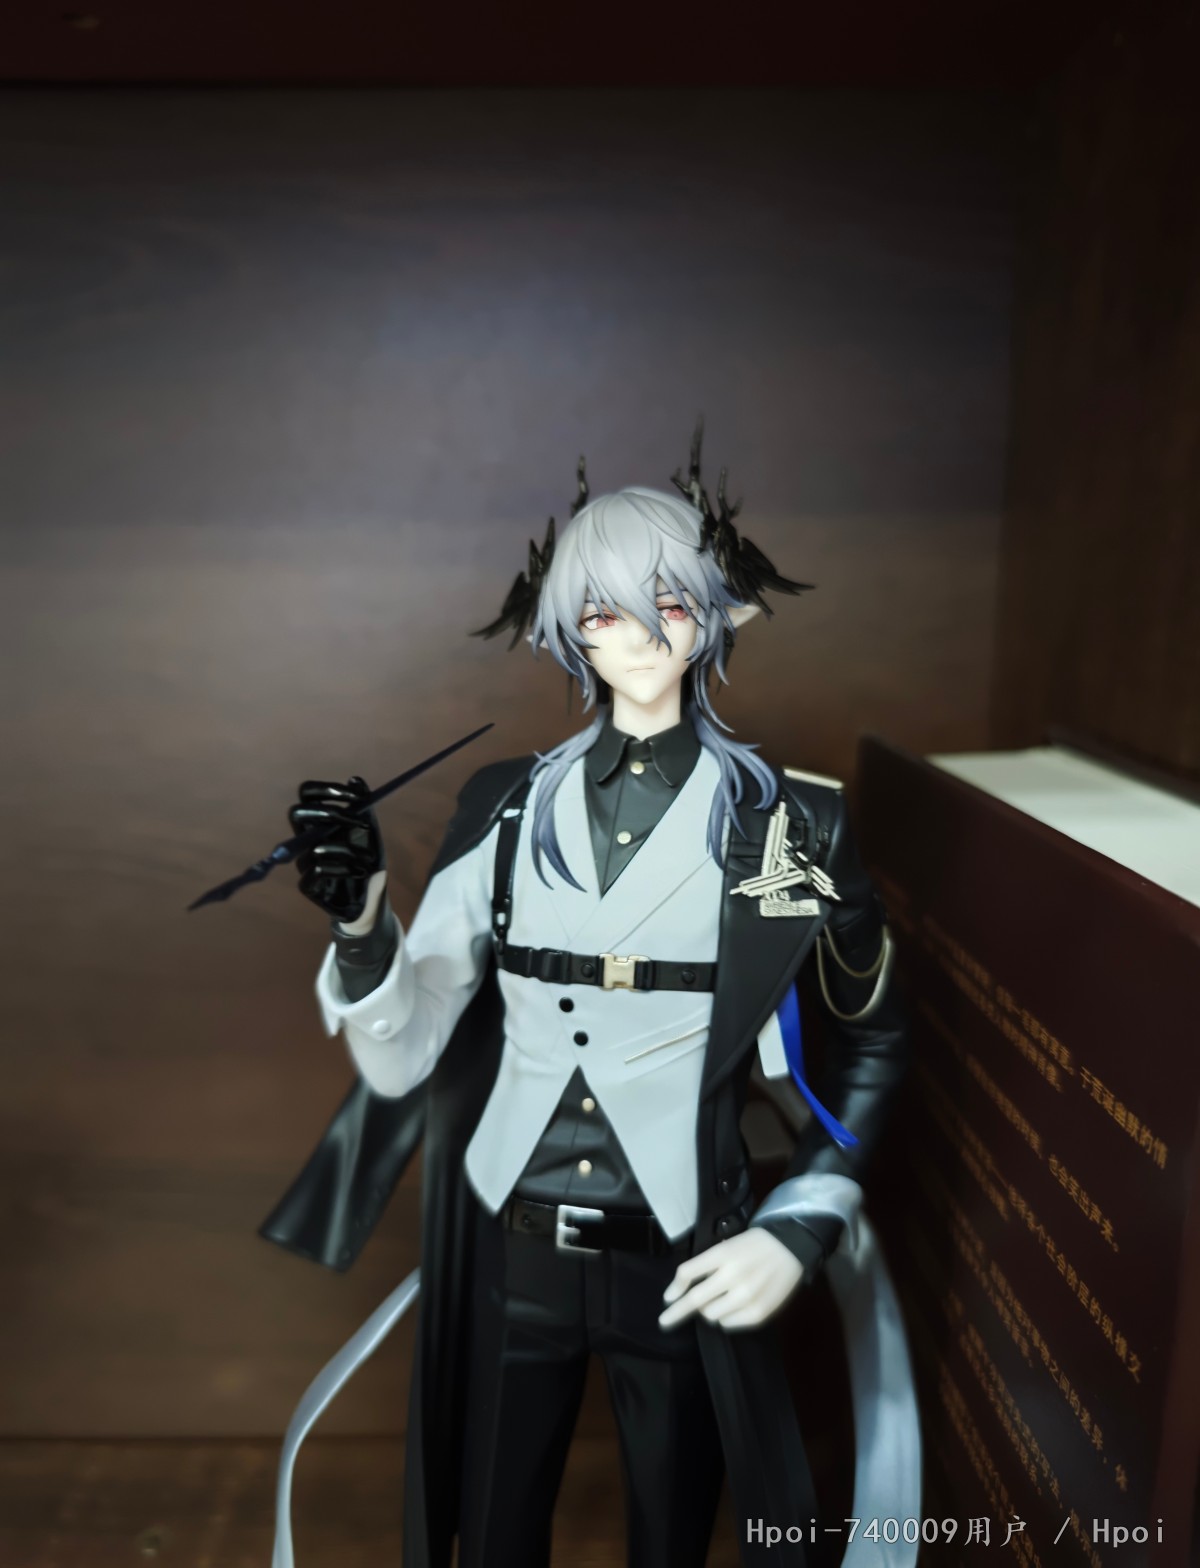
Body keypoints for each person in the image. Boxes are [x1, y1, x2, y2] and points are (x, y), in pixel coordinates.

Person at [262, 430, 917, 1568]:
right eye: (607, 609)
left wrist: (803, 1220)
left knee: (674, 1532)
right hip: (509, 1248)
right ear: (568, 628)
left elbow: (873, 1042)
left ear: (718, 612)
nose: (644, 632)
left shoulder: (791, 825)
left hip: (684, 1251)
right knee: (489, 1529)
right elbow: (407, 1046)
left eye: (673, 600)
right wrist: (360, 920)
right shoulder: (505, 806)